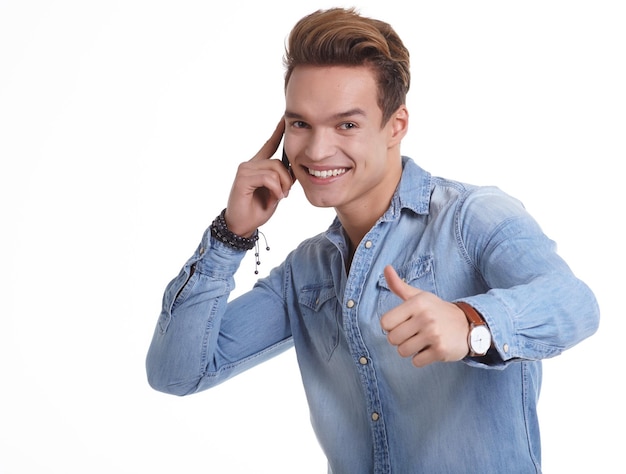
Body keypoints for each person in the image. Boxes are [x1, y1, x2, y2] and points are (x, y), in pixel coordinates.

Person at [146, 7, 599, 473]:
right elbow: (177, 372)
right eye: (300, 124)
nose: (317, 150)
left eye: (346, 124)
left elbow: (573, 303)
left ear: (396, 125)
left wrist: (469, 324)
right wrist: (230, 235)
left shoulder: (471, 218)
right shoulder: (307, 271)